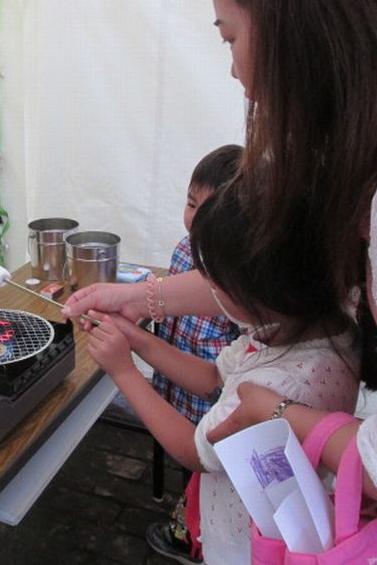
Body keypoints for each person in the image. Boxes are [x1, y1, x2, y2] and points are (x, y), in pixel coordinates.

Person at [64, 0, 377, 557]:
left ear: (302, 26)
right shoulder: (300, 330)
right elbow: (217, 367)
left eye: (230, 37)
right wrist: (140, 321)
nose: (234, 69)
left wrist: (129, 369)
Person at [87, 181, 361, 564]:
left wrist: (124, 373)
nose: (210, 290)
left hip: (251, 546)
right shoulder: (300, 327)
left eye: (218, 283)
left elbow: (193, 451)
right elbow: (209, 377)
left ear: (262, 290)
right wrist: (136, 338)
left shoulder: (276, 381)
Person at [146, 144, 242, 563]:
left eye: (209, 209)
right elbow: (164, 314)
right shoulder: (184, 252)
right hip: (174, 389)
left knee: (205, 471)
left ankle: (194, 538)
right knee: (191, 475)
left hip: (215, 413)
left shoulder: (243, 277)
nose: (194, 219)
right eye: (189, 203)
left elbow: (223, 372)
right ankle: (189, 522)